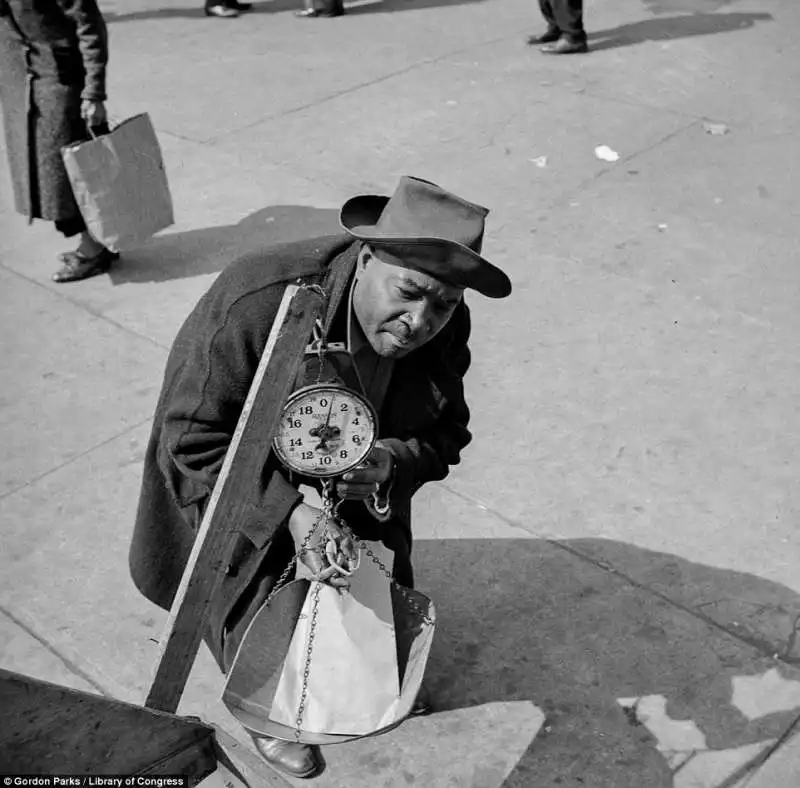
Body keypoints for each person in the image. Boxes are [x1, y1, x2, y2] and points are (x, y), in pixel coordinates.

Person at [129, 175, 512, 779]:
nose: (419, 321)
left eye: (443, 304)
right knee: (254, 608)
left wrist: (391, 462)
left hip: (356, 489)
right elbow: (192, 441)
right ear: (364, 259)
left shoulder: (441, 318)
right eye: (408, 292)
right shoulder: (259, 300)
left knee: (361, 595)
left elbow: (447, 435)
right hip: (247, 487)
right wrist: (290, 512)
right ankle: (268, 712)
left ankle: (359, 675)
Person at [0, 0, 119, 283]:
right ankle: (96, 241)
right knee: (50, 176)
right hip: (21, 80)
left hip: (58, 80)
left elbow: (89, 26)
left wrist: (94, 93)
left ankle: (93, 251)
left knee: (65, 176)